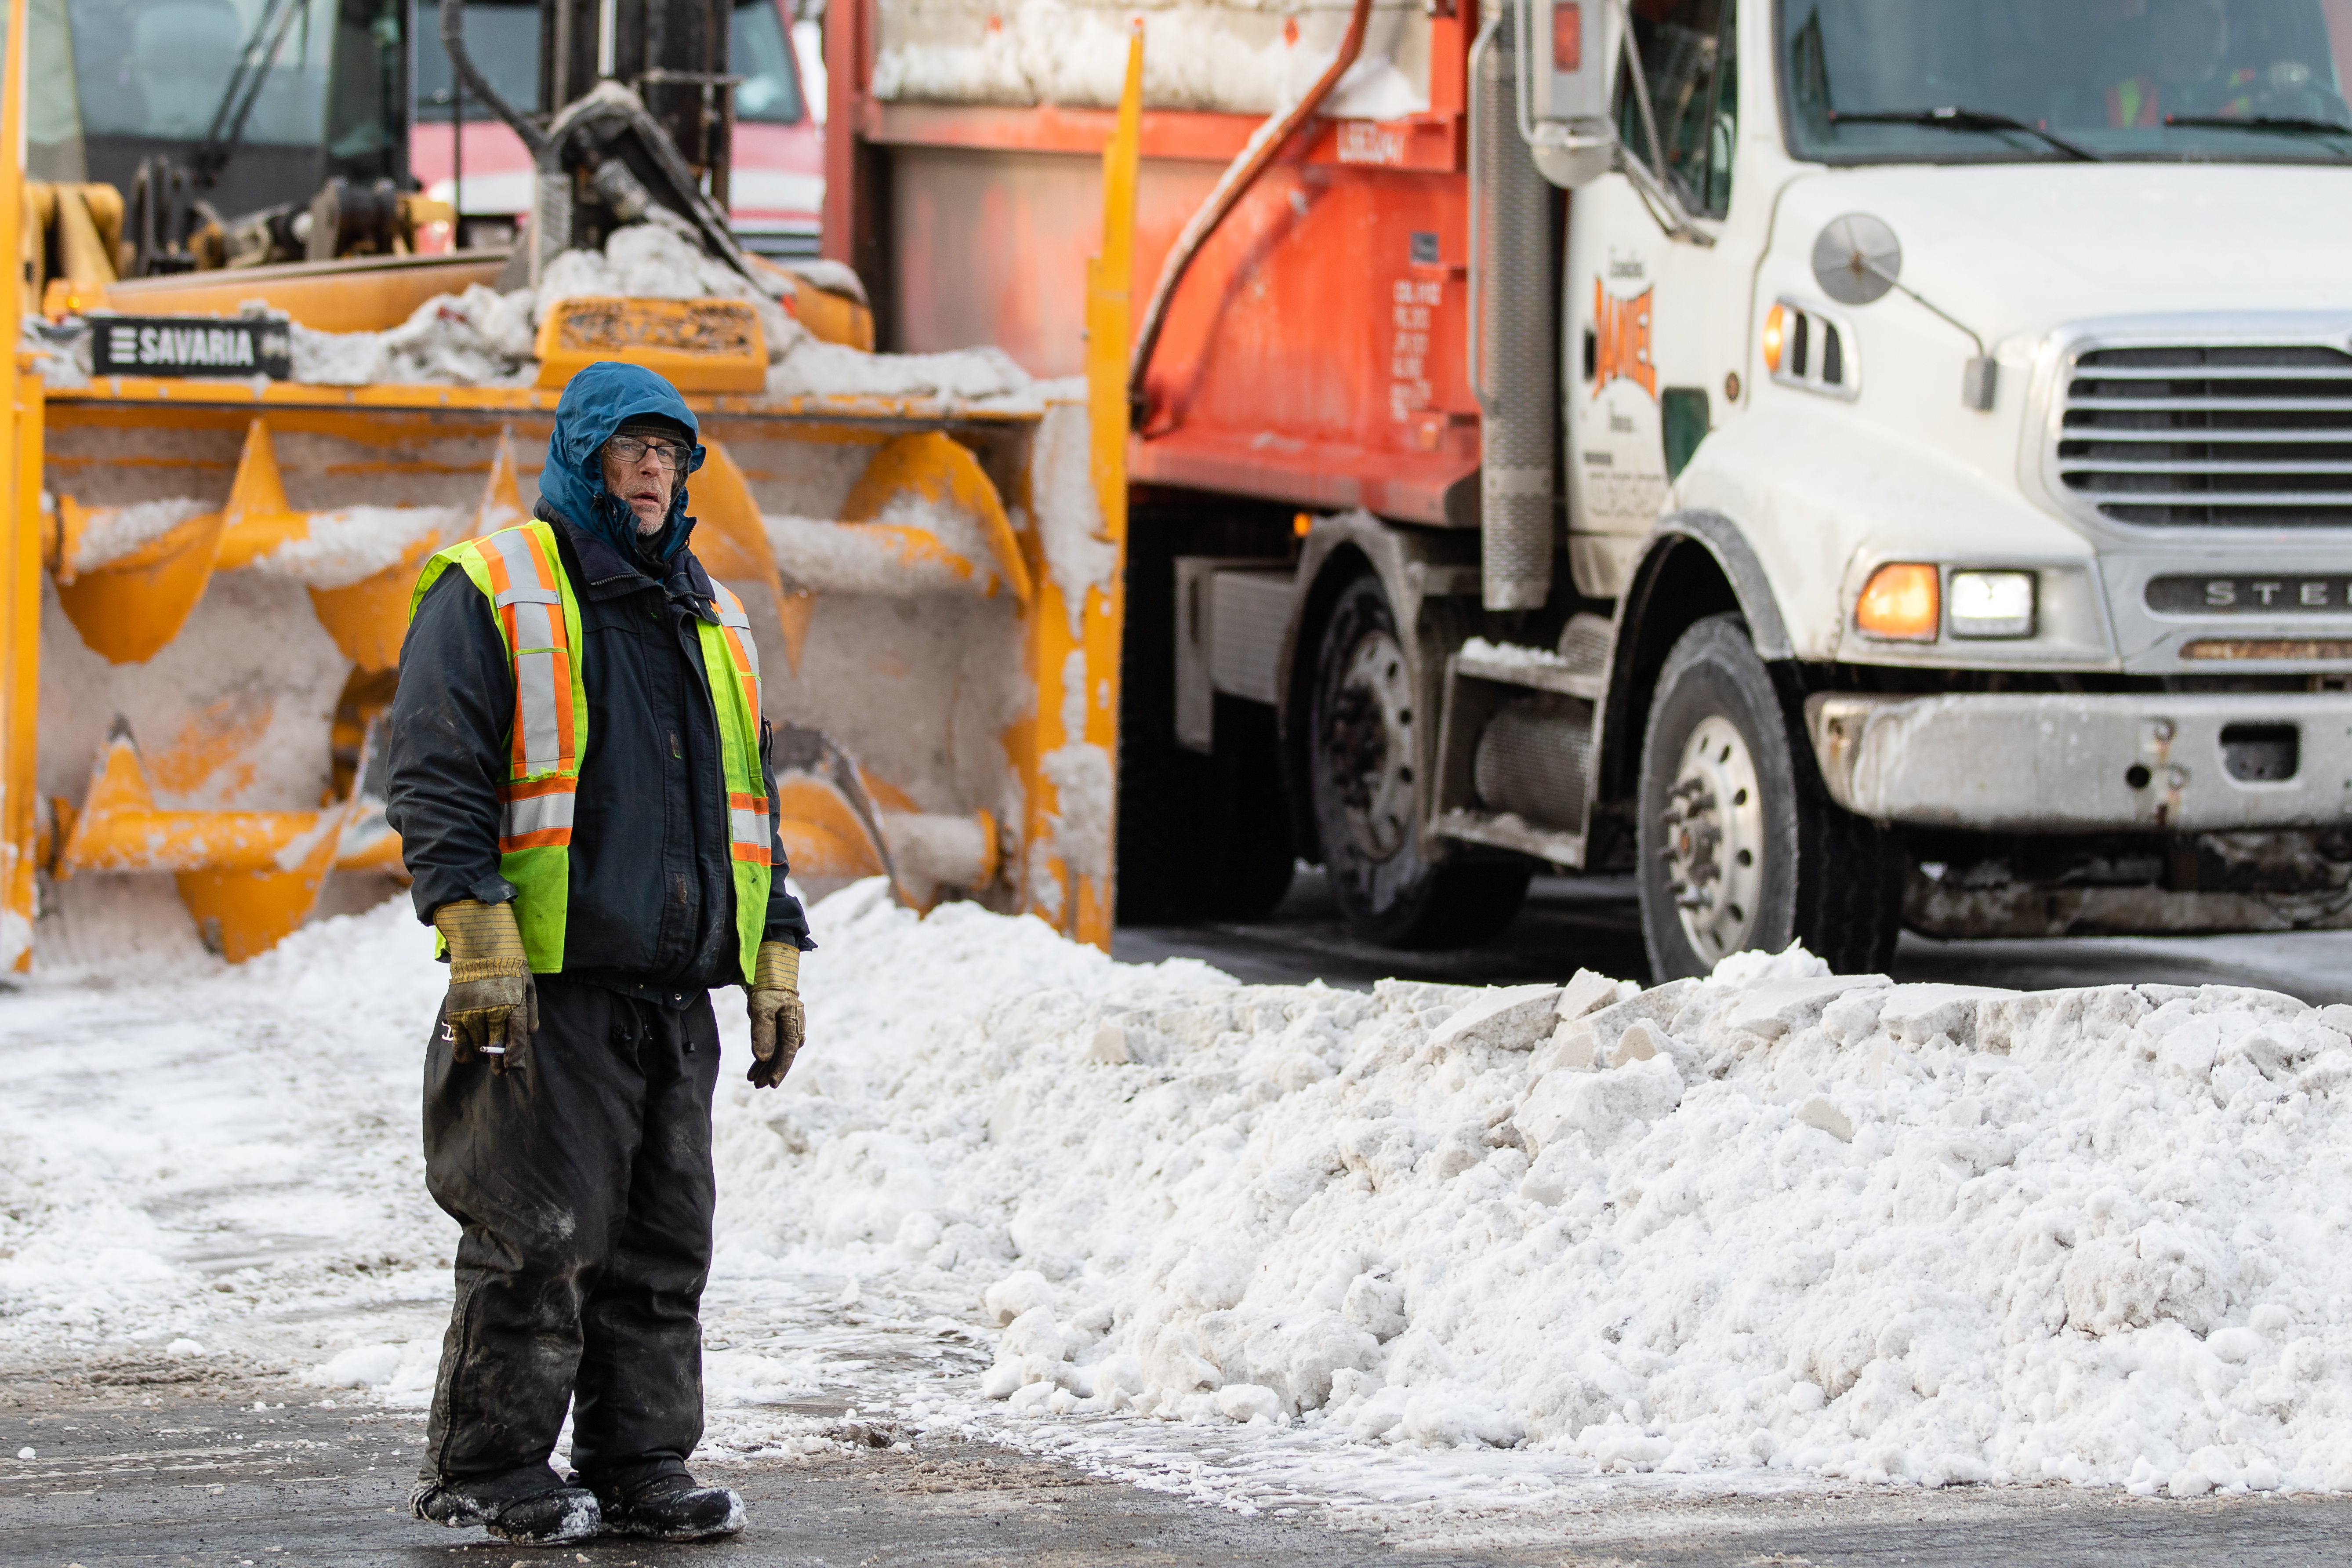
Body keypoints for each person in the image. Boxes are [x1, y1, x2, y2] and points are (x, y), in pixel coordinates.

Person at [383, 360, 813, 1546]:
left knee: (662, 1249)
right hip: (545, 989)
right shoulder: (499, 587)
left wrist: (774, 944)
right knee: (538, 1238)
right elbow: (435, 764)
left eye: (672, 454)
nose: (654, 470)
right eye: (631, 448)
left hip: (672, 992)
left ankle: (639, 1465)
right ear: (580, 457)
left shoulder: (707, 611)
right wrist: (471, 928)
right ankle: (488, 1468)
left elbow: (750, 802)